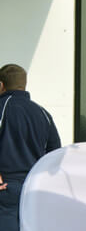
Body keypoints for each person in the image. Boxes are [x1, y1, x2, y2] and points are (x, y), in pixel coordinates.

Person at [0, 64, 62, 231]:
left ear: (1, 85)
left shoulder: (3, 108)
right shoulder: (42, 113)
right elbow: (55, 152)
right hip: (34, 187)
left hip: (6, 187)